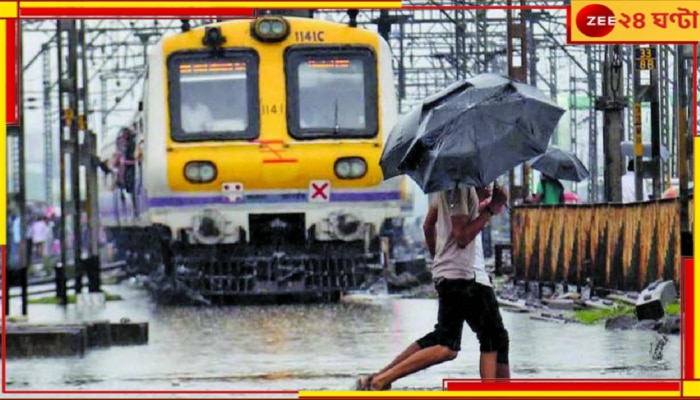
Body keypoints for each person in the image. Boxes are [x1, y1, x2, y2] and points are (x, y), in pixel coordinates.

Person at [355, 184, 510, 390]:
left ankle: (380, 377)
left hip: (455, 273)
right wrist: (490, 210)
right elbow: (461, 236)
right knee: (455, 344)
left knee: (462, 338)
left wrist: (438, 260)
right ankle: (380, 380)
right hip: (466, 275)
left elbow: (429, 225)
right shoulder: (460, 187)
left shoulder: (451, 188)